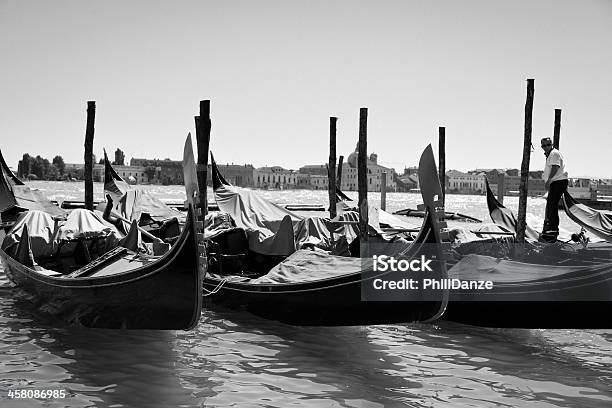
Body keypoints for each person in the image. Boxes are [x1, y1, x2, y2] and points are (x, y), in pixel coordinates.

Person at [540, 137, 568, 242]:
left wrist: (549, 181)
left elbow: (555, 167)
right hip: (556, 182)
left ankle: (553, 229)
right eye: (543, 146)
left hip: (558, 182)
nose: (545, 147)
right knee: (551, 204)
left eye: (547, 145)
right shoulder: (550, 155)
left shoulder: (554, 153)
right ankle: (551, 228)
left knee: (552, 204)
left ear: (551, 144)